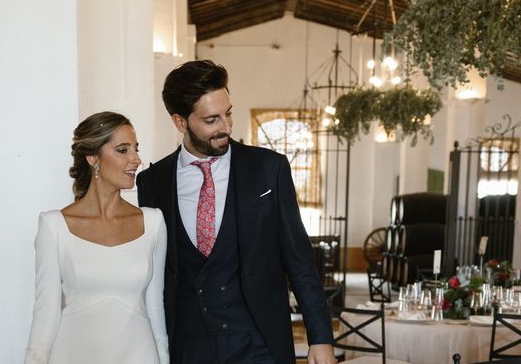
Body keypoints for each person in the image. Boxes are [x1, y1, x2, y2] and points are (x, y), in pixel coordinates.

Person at [137, 60, 335, 364]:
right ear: (180, 122)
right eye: (212, 119)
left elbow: (299, 260)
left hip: (259, 342)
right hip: (188, 347)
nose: (226, 127)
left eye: (228, 114)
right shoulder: (152, 182)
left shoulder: (269, 169)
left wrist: (320, 338)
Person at [25, 112, 169, 364]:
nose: (136, 160)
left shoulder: (153, 222)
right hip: (73, 355)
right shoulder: (54, 226)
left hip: (139, 355)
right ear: (93, 158)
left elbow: (155, 309)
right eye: (122, 150)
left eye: (136, 149)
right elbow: (45, 314)